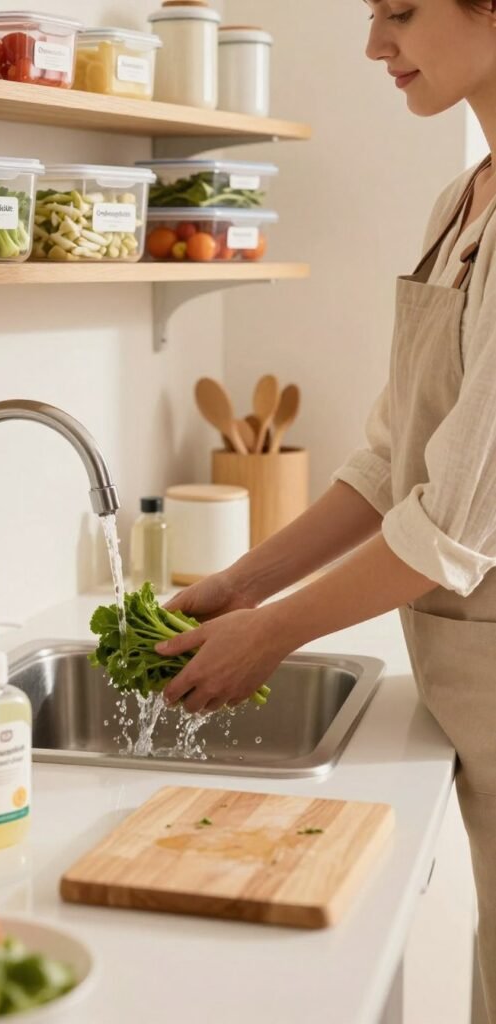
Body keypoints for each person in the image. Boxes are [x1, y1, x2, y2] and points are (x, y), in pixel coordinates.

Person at [154, 0, 496, 1016]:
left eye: (401, 11)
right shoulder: (461, 200)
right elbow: (394, 463)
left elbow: (457, 523)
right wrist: (232, 587)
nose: (373, 46)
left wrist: (272, 633)